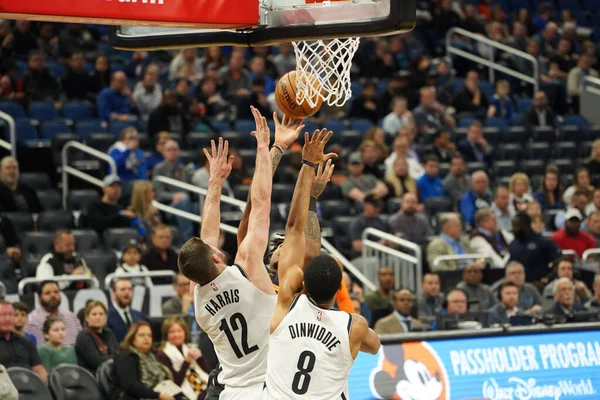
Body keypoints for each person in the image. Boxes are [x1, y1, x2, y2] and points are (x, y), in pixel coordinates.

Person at [177, 108, 301, 399]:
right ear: (217, 258)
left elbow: (207, 235)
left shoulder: (199, 300)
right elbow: (261, 201)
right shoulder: (248, 268)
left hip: (231, 392)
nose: (214, 242)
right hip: (269, 389)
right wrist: (269, 147)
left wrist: (215, 182)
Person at [264, 252, 380, 399]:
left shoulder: (287, 306)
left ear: (304, 284)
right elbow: (375, 347)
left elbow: (293, 270)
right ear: (339, 287)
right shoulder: (355, 326)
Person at [111, 321, 176, 400]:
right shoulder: (126, 357)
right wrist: (158, 395)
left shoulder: (152, 355)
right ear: (132, 338)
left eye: (149, 335)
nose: (146, 338)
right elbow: (131, 385)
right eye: (141, 335)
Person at [156, 318, 210, 400]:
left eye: (179, 331)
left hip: (203, 385)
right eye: (172, 332)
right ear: (166, 334)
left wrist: (200, 358)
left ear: (185, 333)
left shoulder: (188, 347)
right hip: (182, 393)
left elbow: (207, 372)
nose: (176, 335)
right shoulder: (162, 354)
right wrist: (186, 362)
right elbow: (176, 383)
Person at [509, 213, 561, 286]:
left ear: (527, 225)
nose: (514, 229)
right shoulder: (513, 245)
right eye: (514, 226)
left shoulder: (543, 242)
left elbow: (559, 260)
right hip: (519, 286)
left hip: (541, 285)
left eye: (517, 226)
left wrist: (548, 278)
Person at [0, 301, 47, 381]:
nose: (7, 319)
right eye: (2, 315)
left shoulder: (26, 341)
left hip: (29, 386)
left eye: (11, 315)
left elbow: (39, 369)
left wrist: (44, 387)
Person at [24, 281, 82, 346]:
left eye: (56, 292)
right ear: (39, 298)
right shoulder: (31, 321)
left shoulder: (71, 317)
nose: (53, 295)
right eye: (47, 293)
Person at [75, 301, 119, 373]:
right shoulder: (83, 336)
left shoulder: (108, 333)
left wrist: (117, 358)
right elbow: (96, 361)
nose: (98, 317)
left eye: (101, 314)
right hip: (92, 377)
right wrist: (116, 358)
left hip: (110, 373)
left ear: (106, 317)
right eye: (94, 314)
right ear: (87, 317)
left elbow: (116, 353)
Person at [349, 194, 390, 258]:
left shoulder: (382, 221)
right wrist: (379, 244)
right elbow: (357, 246)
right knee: (375, 262)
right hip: (362, 258)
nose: (378, 209)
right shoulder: (358, 222)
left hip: (381, 256)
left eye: (379, 206)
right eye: (375, 206)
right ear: (366, 205)